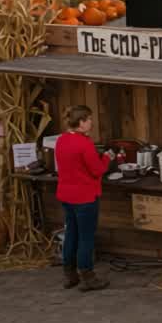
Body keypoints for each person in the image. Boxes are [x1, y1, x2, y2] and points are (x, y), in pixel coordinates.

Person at [55, 105, 110, 291]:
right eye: (88, 120)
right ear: (80, 123)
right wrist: (107, 158)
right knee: (86, 238)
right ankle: (88, 276)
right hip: (85, 197)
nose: (91, 123)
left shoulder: (61, 140)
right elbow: (97, 170)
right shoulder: (84, 144)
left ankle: (70, 275)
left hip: (66, 195)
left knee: (71, 234)